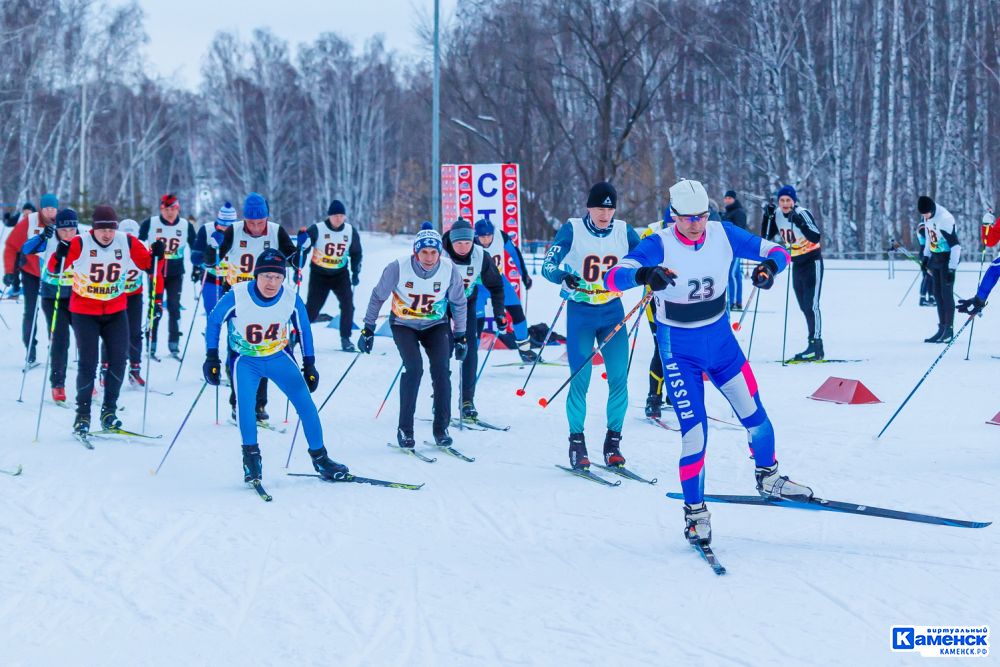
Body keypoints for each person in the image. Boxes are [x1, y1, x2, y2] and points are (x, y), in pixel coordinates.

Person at [605, 178, 812, 545]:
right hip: (679, 351)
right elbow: (614, 277)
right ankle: (695, 512)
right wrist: (644, 274)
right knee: (696, 433)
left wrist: (768, 270)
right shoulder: (659, 243)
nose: (695, 224)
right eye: (687, 218)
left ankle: (769, 476)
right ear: (673, 216)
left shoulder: (723, 233)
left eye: (701, 216)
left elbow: (776, 252)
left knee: (756, 417)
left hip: (721, 345)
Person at [203, 248, 348, 484]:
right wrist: (212, 357)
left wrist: (309, 364)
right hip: (246, 360)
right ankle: (251, 460)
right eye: (267, 276)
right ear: (256, 275)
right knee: (246, 408)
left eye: (278, 277)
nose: (272, 282)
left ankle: (321, 459)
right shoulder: (237, 295)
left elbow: (304, 330)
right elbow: (214, 320)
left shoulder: (290, 297)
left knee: (307, 405)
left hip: (279, 357)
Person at [541, 181, 641, 470]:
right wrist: (562, 276)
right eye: (599, 208)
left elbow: (647, 259)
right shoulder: (573, 228)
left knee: (619, 378)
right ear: (588, 207)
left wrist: (652, 274)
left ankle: (613, 444)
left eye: (609, 208)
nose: (604, 214)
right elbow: (549, 263)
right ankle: (577, 443)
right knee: (580, 381)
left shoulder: (624, 231)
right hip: (581, 313)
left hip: (612, 312)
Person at [50, 205, 162, 435]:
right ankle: (82, 415)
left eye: (111, 229)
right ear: (93, 229)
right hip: (84, 312)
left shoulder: (126, 241)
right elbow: (54, 268)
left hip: (116, 310)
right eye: (102, 230)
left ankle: (109, 411)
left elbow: (149, 264)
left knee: (118, 361)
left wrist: (159, 254)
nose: (107, 235)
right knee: (88, 363)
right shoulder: (81, 243)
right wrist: (59, 254)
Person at [358, 222, 468, 449]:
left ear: (440, 252)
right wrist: (368, 329)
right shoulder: (397, 267)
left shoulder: (449, 269)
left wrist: (461, 336)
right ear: (415, 252)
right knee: (414, 368)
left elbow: (458, 303)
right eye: (424, 252)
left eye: (433, 252)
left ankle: (441, 429)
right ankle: (405, 429)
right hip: (403, 325)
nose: (429, 257)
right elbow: (378, 296)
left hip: (435, 325)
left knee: (441, 371)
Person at [206, 192, 298, 422]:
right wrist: (212, 247)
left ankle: (258, 406)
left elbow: (296, 260)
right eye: (252, 222)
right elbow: (210, 261)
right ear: (244, 219)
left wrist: (301, 250)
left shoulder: (276, 231)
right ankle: (238, 403)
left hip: (268, 298)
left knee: (263, 349)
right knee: (238, 350)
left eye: (260, 222)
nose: (256, 228)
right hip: (237, 298)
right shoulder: (233, 231)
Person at [442, 218, 505, 420]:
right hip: (439, 305)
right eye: (458, 243)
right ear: (451, 242)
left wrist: (499, 313)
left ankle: (467, 400)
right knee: (442, 349)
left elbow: (496, 286)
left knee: (468, 348)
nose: (463, 247)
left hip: (466, 304)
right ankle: (441, 397)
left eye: (467, 242)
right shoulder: (439, 255)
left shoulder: (481, 256)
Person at [21, 208, 79, 403]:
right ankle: (58, 384)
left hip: (78, 296)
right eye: (64, 230)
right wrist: (40, 238)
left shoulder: (83, 240)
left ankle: (89, 383)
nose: (69, 234)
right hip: (52, 296)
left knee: (85, 340)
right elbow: (26, 249)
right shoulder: (49, 238)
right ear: (57, 228)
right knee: (60, 341)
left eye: (72, 229)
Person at [761, 185, 824, 360]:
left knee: (812, 305)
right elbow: (766, 237)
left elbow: (816, 236)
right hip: (796, 263)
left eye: (788, 200)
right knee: (803, 305)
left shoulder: (802, 213)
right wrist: (767, 216)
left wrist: (800, 223)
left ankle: (816, 345)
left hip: (812, 261)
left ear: (794, 201)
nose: (785, 203)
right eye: (782, 200)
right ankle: (812, 345)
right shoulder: (779, 215)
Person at [139, 193, 197, 358]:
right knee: (155, 306)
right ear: (161, 209)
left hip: (175, 273)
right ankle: (151, 344)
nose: (170, 213)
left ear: (178, 209)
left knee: (174, 306)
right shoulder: (150, 223)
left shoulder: (186, 225)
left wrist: (197, 267)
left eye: (173, 209)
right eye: (166, 209)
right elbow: (138, 244)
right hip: (156, 272)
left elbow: (195, 248)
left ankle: (174, 344)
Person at [4, 193, 59, 363]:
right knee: (30, 311)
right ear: (41, 209)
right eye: (46, 209)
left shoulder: (62, 222)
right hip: (31, 272)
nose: (50, 213)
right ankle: (30, 350)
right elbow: (11, 246)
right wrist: (9, 271)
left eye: (53, 209)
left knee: (53, 312)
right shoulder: (29, 221)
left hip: (52, 275)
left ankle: (56, 348)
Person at [303, 199, 363, 351]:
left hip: (340, 274)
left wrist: (355, 272)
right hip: (319, 274)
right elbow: (303, 248)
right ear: (329, 216)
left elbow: (356, 253)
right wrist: (298, 266)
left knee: (348, 306)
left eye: (341, 215)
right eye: (335, 215)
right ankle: (296, 336)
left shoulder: (350, 231)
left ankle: (346, 338)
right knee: (312, 310)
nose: (338, 219)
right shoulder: (318, 229)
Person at [474, 218, 535, 362]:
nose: (487, 239)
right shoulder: (469, 243)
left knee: (517, 313)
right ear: (477, 236)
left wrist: (524, 275)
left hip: (499, 282)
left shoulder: (500, 235)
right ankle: (471, 357)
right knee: (476, 322)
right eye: (483, 237)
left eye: (489, 235)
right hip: (479, 285)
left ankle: (525, 351)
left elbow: (515, 254)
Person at [640, 211, 672, 419]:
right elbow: (639, 262)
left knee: (682, 349)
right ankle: (654, 397)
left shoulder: (693, 228)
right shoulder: (652, 232)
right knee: (661, 348)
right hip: (656, 300)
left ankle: (676, 392)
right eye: (672, 221)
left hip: (683, 300)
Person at [917, 195, 961, 343]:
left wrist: (952, 269)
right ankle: (941, 328)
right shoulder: (927, 216)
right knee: (936, 293)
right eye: (922, 215)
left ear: (932, 209)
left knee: (946, 294)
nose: (924, 217)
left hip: (947, 258)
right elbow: (930, 238)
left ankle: (949, 329)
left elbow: (956, 246)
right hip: (935, 257)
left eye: (926, 214)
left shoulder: (945, 219)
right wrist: (925, 258)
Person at [190, 202, 237, 317]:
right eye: (223, 225)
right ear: (218, 221)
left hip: (234, 281)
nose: (226, 229)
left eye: (229, 226)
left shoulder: (241, 231)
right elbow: (195, 258)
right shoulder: (206, 230)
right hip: (211, 278)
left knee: (234, 319)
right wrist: (211, 247)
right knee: (213, 316)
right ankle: (211, 335)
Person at [721, 190, 748, 310]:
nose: (727, 200)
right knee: (736, 274)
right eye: (725, 198)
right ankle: (737, 301)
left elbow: (739, 229)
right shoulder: (727, 212)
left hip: (736, 247)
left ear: (734, 199)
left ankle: (733, 301)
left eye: (729, 198)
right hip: (728, 247)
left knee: (731, 274)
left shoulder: (738, 212)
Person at [916, 221, 935, 307]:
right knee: (927, 277)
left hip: (929, 254)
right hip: (925, 254)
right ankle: (922, 298)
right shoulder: (922, 226)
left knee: (930, 277)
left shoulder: (927, 226)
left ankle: (931, 298)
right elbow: (929, 238)